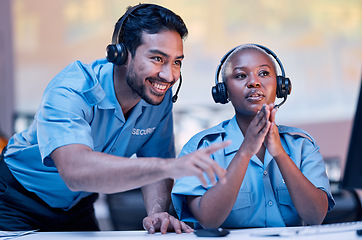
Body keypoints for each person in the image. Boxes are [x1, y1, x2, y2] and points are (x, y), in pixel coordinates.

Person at [0, 3, 229, 233]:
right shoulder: (71, 89)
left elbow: (157, 160)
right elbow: (75, 171)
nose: (169, 76)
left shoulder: (157, 97)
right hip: (17, 199)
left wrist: (157, 211)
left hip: (76, 206)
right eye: (158, 59)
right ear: (121, 54)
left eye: (176, 62)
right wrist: (172, 166)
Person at [172, 44, 335, 229]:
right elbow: (208, 220)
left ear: (281, 86)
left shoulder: (302, 145)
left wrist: (280, 154)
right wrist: (245, 151)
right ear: (224, 91)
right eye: (241, 76)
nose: (254, 82)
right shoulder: (201, 148)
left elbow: (315, 216)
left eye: (264, 73)